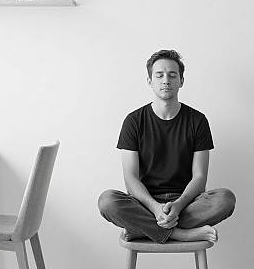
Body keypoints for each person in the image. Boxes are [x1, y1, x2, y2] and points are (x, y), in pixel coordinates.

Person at [98, 49, 236, 243]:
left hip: (186, 203)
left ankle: (143, 229)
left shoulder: (197, 120)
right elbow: (131, 179)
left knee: (225, 198)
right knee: (107, 201)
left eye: (172, 75)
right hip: (145, 203)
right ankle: (181, 234)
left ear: (181, 81)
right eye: (159, 75)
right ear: (149, 81)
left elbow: (199, 177)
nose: (166, 80)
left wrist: (178, 206)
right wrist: (155, 208)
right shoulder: (134, 121)